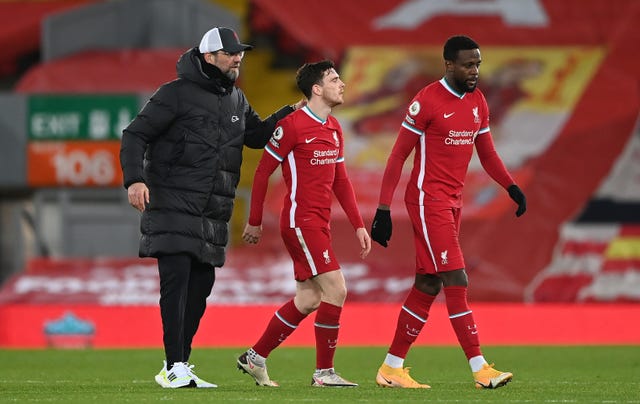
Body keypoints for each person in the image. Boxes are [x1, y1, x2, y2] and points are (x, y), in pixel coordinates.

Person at [119, 26, 305, 389]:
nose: (239, 57)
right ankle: (174, 366)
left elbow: (256, 137)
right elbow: (134, 134)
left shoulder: (236, 99)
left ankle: (178, 365)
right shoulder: (174, 95)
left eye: (241, 52)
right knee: (176, 284)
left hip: (212, 213)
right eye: (231, 52)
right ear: (208, 57)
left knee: (200, 288)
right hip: (173, 204)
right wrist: (134, 180)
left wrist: (292, 112)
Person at [370, 35, 526, 390]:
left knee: (427, 284)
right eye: (468, 65)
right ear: (449, 65)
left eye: (478, 64)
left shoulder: (478, 101)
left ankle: (391, 368)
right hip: (428, 201)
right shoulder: (426, 101)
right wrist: (382, 208)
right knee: (457, 279)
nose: (475, 71)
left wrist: (511, 187)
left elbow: (486, 154)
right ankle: (479, 367)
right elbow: (397, 156)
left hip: (452, 202)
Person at [237, 60, 371, 388]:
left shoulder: (335, 128)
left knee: (309, 299)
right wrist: (254, 221)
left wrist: (358, 224)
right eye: (334, 79)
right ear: (316, 88)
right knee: (337, 289)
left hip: (318, 223)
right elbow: (262, 171)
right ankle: (324, 374)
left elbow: (341, 181)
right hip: (300, 222)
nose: (342, 84)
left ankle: (255, 357)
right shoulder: (293, 126)